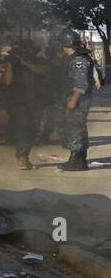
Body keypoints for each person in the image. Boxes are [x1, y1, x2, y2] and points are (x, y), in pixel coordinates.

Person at [0, 40, 45, 170]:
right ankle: (21, 157)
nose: (24, 54)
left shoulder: (37, 62)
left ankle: (25, 156)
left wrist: (26, 64)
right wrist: (10, 65)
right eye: (22, 53)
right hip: (20, 102)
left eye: (27, 52)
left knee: (34, 130)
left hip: (36, 100)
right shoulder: (12, 63)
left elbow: (42, 72)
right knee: (23, 128)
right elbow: (7, 82)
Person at [57, 28, 96, 171]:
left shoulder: (78, 59)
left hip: (78, 99)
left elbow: (81, 83)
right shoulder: (75, 57)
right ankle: (80, 160)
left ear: (65, 44)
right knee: (78, 128)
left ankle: (75, 160)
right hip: (77, 98)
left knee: (75, 128)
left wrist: (73, 100)